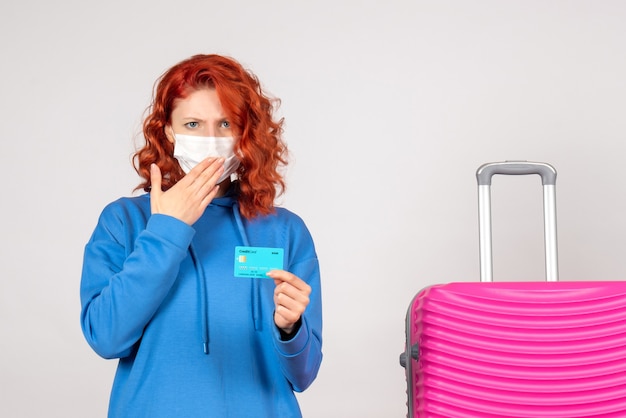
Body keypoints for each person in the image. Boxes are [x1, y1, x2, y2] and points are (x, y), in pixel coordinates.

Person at [80, 54, 323, 418]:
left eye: (225, 123)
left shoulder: (285, 231)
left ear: (244, 134)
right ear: (168, 132)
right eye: (192, 124)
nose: (210, 139)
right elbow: (106, 337)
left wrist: (290, 329)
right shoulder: (125, 221)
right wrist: (167, 230)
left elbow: (303, 375)